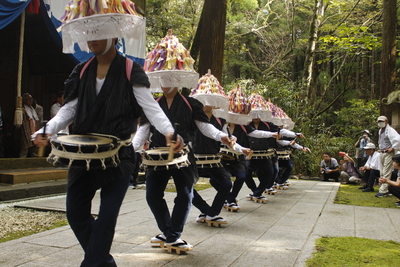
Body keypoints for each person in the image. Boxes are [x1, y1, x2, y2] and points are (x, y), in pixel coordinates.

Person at [34, 12, 181, 266]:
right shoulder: (81, 70)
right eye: (89, 34)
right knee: (75, 213)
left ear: (114, 34)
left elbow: (150, 107)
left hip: (118, 155)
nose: (92, 40)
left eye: (99, 34)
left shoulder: (129, 70)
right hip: (82, 156)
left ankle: (93, 262)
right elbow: (69, 109)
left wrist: (169, 131)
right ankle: (104, 262)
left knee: (107, 217)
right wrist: (47, 129)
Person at [133, 86, 233, 251]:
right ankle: (169, 232)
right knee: (152, 196)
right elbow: (142, 131)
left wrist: (221, 136)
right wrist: (129, 150)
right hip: (157, 155)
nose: (166, 83)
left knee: (185, 195)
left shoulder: (191, 103)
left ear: (178, 81)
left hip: (183, 154)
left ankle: (172, 235)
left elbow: (205, 127)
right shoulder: (152, 104)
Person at [192, 106, 249, 224]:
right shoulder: (193, 118)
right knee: (186, 187)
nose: (206, 105)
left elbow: (228, 140)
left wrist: (241, 149)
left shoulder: (220, 121)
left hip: (214, 159)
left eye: (209, 103)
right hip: (194, 158)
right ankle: (207, 211)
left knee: (226, 184)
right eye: (203, 103)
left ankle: (211, 214)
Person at [375, 115, 400, 197]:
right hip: (382, 152)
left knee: (386, 171)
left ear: (386, 122)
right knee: (382, 171)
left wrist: (393, 148)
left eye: (382, 121)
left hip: (388, 153)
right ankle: (383, 186)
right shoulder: (380, 131)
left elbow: (397, 139)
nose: (380, 123)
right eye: (379, 122)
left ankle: (383, 190)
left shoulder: (390, 130)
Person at [19, 93, 39, 158]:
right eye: (28, 99)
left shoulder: (32, 109)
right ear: (24, 101)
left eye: (31, 99)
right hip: (26, 131)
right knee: (25, 149)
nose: (30, 101)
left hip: (34, 130)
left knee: (34, 150)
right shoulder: (22, 110)